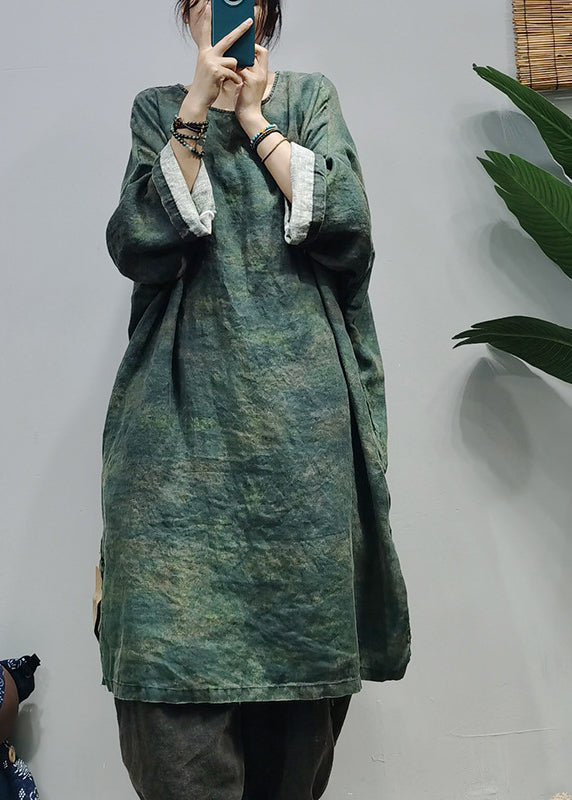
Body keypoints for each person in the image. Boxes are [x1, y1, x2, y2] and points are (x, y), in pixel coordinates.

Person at [96, 0, 412, 797]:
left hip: (301, 463)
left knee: (296, 725)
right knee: (168, 702)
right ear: (190, 13)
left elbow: (347, 226)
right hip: (173, 453)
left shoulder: (309, 100)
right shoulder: (160, 111)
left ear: (267, 11)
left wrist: (256, 121)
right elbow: (138, 244)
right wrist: (195, 112)